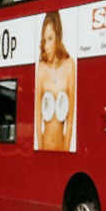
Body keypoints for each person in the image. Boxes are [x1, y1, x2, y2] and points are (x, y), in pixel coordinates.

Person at [35, 11, 76, 151]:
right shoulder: (41, 68)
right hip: (44, 147)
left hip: (62, 147)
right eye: (44, 40)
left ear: (58, 37)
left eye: (50, 38)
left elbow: (70, 121)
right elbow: (37, 118)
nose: (46, 46)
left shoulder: (70, 65)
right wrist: (39, 152)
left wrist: (65, 152)